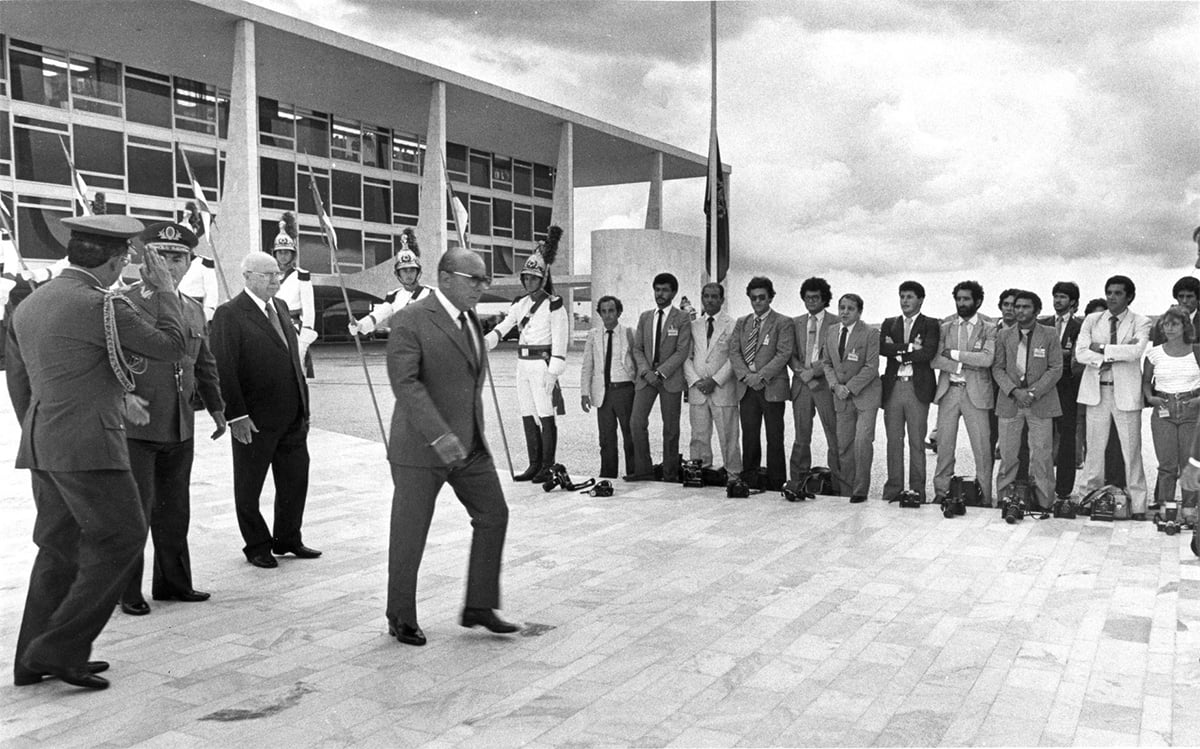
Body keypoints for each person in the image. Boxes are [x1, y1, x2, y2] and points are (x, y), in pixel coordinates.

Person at [7, 215, 188, 690]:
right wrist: (166, 290)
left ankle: (31, 659)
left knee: (58, 549)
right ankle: (60, 648)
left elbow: (50, 372)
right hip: (88, 447)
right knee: (124, 537)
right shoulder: (101, 306)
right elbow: (172, 346)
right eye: (126, 258)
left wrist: (115, 395)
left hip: (44, 442)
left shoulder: (32, 302)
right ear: (115, 259)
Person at [386, 248, 519, 646]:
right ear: (445, 278)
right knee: (410, 533)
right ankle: (400, 615)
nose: (483, 286)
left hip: (469, 448)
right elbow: (405, 383)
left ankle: (479, 605)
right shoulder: (410, 319)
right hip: (421, 449)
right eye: (474, 279)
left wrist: (468, 435)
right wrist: (439, 434)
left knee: (494, 515)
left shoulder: (471, 320)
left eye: (485, 280)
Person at [118, 223, 226, 617]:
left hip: (180, 423)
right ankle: (127, 590)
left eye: (177, 257)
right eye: (160, 256)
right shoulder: (123, 303)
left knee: (175, 508)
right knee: (135, 511)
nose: (168, 264)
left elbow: (205, 363)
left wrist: (216, 406)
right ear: (145, 260)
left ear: (189, 262)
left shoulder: (192, 308)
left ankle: (174, 583)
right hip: (138, 426)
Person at [211, 252, 319, 569]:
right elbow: (223, 368)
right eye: (268, 275)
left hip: (292, 417)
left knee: (295, 480)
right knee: (249, 485)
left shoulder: (281, 308)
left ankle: (288, 538)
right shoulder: (229, 314)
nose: (276, 280)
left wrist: (304, 408)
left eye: (277, 275)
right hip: (254, 420)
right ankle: (256, 544)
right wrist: (236, 416)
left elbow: (292, 362)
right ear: (247, 276)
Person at [484, 227, 568, 482]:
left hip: (542, 365)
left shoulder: (554, 305)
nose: (529, 281)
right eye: (526, 278)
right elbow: (505, 325)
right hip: (522, 365)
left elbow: (561, 341)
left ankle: (547, 465)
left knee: (545, 414)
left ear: (542, 279)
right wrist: (487, 340)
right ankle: (534, 464)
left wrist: (554, 372)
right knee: (527, 413)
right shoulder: (520, 304)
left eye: (534, 277)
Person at [1076, 275, 1151, 519]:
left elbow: (1136, 351)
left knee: (1132, 451)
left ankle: (1138, 505)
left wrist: (1101, 349)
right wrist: (1108, 355)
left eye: (1118, 293)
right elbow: (1080, 353)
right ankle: (1088, 498)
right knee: (1094, 452)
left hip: (1126, 394)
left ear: (1129, 296)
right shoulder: (1091, 319)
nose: (1111, 297)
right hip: (1097, 392)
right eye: (1109, 292)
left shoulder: (1141, 322)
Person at [992, 291, 1062, 510]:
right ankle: (1004, 498)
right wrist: (1015, 391)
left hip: (1040, 402)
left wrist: (1033, 393)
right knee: (1008, 455)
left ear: (1037, 310)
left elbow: (1056, 367)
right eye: (1016, 306)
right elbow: (998, 368)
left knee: (1042, 456)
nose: (1019, 310)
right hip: (1010, 402)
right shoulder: (1004, 335)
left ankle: (1044, 502)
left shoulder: (1050, 334)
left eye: (1025, 307)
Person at [932, 281, 997, 506]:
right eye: (958, 299)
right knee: (944, 447)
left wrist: (955, 354)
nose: (961, 303)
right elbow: (935, 358)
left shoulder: (989, 327)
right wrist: (959, 366)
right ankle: (941, 492)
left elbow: (987, 359)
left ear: (977, 301)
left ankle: (986, 497)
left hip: (977, 394)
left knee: (982, 448)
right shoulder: (945, 327)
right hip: (949, 391)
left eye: (966, 299)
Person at [627, 272, 693, 482]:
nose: (660, 294)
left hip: (669, 379)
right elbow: (637, 348)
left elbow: (682, 351)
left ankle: (670, 474)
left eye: (665, 290)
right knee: (636, 423)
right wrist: (647, 372)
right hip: (646, 378)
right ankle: (644, 471)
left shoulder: (682, 318)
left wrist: (661, 372)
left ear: (673, 292)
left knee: (671, 428)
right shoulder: (646, 317)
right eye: (657, 289)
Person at [879, 280, 940, 502]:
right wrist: (909, 348)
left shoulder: (931, 324)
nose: (905, 301)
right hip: (893, 388)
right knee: (893, 441)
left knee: (917, 442)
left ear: (920, 299)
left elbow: (928, 353)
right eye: (902, 296)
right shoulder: (889, 323)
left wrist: (898, 352)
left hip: (917, 389)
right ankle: (893, 488)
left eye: (910, 297)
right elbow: (882, 348)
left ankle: (917, 490)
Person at [820, 293, 880, 502]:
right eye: (842, 307)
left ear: (859, 312)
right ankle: (846, 490)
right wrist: (835, 386)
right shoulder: (831, 331)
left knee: (862, 442)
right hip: (840, 397)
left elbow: (872, 366)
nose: (845, 312)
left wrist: (849, 388)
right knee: (844, 445)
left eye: (850, 308)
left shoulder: (870, 333)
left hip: (865, 397)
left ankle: (860, 490)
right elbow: (826, 362)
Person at [1143, 305, 1200, 515]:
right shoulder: (1154, 353)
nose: (1169, 328)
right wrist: (1150, 397)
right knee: (1167, 464)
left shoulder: (1197, 351)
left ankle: (1189, 509)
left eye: (1174, 324)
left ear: (1185, 326)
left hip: (1191, 410)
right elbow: (1146, 382)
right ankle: (1167, 509)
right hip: (1164, 411)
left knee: (1189, 462)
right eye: (1166, 324)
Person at [683, 282, 741, 480]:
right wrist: (696, 380)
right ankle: (699, 473)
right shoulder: (693, 325)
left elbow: (734, 358)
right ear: (701, 298)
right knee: (698, 437)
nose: (710, 300)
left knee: (729, 437)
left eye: (714, 296)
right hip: (698, 390)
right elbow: (686, 356)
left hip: (723, 390)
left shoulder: (733, 325)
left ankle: (734, 475)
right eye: (706, 296)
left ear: (722, 300)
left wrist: (715, 381)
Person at [789, 277, 840, 487]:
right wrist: (802, 373)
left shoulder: (836, 322)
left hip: (825, 386)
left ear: (824, 299)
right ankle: (798, 481)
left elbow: (837, 354)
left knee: (833, 434)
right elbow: (790, 354)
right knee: (801, 437)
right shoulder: (796, 322)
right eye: (807, 297)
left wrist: (815, 371)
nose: (811, 301)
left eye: (815, 297)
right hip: (802, 386)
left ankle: (839, 482)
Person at [580, 295, 636, 479]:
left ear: (618, 312)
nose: (607, 315)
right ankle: (608, 474)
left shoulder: (629, 333)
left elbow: (637, 361)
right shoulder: (593, 335)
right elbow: (587, 365)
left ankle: (634, 473)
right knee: (606, 438)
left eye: (611, 311)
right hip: (603, 392)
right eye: (603, 311)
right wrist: (584, 393)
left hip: (625, 390)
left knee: (630, 435)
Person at [1039, 281, 1084, 500]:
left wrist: (1055, 356)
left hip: (1068, 388)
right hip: (1044, 388)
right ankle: (1042, 484)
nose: (1058, 300)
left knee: (1067, 438)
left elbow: (1077, 356)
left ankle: (1064, 488)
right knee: (1042, 437)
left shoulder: (1080, 326)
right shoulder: (1043, 324)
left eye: (1063, 297)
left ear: (1073, 301)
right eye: (1056, 296)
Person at [349, 229, 431, 338]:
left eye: (412, 270)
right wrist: (360, 325)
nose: (408, 274)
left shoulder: (431, 293)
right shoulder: (394, 296)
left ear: (418, 272)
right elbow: (379, 314)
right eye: (404, 270)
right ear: (398, 274)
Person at [271, 212, 318, 376]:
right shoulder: (269, 276)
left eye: (286, 252)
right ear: (274, 254)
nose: (283, 255)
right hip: (272, 326)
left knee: (295, 373)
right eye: (280, 252)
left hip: (294, 329)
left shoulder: (301, 276)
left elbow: (309, 309)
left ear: (293, 254)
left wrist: (305, 337)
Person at [176, 201, 219, 322]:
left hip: (196, 313)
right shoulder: (171, 263)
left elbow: (211, 296)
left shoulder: (205, 263)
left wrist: (205, 319)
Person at [1151, 276, 1200, 345]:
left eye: (1189, 296)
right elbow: (1156, 351)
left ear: (1198, 298)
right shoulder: (1163, 321)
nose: (1184, 301)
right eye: (1181, 296)